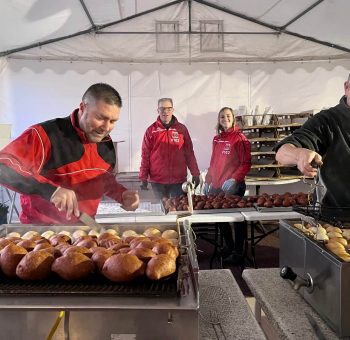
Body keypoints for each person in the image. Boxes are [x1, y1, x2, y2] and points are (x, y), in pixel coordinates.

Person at [0, 83, 139, 224]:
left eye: (113, 121)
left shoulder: (106, 144)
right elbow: (3, 168)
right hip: (41, 231)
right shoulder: (45, 135)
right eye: (100, 118)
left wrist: (121, 194)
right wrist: (50, 190)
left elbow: (103, 181)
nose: (106, 127)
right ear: (83, 107)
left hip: (85, 228)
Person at [275, 73, 350, 207]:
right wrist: (299, 155)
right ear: (346, 87)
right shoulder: (326, 121)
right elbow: (282, 153)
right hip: (335, 221)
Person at [204, 107, 251, 264]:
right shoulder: (216, 139)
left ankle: (238, 252)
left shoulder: (240, 138)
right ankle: (229, 247)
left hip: (233, 186)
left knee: (237, 219)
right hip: (217, 185)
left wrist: (234, 179)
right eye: (222, 116)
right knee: (221, 218)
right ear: (219, 120)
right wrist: (207, 181)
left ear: (233, 119)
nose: (225, 119)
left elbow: (246, 163)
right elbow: (213, 163)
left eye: (228, 116)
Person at [139, 98, 200, 199]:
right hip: (158, 181)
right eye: (162, 108)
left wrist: (195, 173)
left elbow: (189, 153)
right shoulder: (151, 131)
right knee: (163, 210)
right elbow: (145, 156)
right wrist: (143, 177)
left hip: (178, 181)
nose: (165, 112)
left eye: (168, 108)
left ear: (173, 110)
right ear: (157, 110)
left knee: (179, 209)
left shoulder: (182, 129)